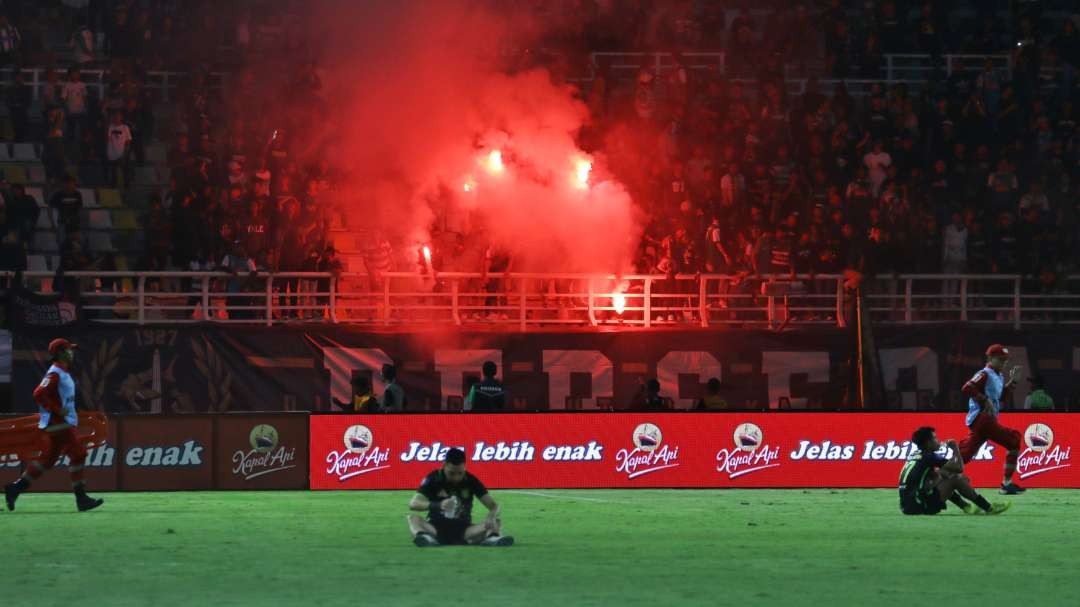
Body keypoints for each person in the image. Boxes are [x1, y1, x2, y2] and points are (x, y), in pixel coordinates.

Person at [4, 339, 104, 512]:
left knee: (48, 460)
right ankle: (81, 499)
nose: (72, 352)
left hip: (61, 422)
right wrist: (57, 410)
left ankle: (15, 488)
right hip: (58, 423)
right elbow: (38, 393)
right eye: (68, 350)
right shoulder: (55, 373)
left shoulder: (62, 372)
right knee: (79, 453)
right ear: (60, 353)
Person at [407, 447, 514, 547]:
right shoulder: (433, 478)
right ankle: (425, 538)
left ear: (464, 467)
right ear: (444, 465)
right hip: (435, 528)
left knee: (496, 521)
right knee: (413, 519)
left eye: (460, 473)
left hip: (465, 530)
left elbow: (494, 506)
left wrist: (491, 515)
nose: (456, 477)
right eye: (451, 473)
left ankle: (493, 538)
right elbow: (413, 504)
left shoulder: (471, 480)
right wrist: (438, 505)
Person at [959, 344, 1026, 495]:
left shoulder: (998, 376)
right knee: (1014, 439)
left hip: (986, 420)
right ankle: (1006, 484)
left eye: (1005, 360)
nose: (1004, 363)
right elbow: (967, 388)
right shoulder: (985, 373)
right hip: (983, 418)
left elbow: (1001, 397)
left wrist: (1013, 382)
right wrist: (983, 400)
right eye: (1000, 359)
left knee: (965, 454)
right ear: (990, 358)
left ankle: (936, 472)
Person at [899, 426, 1009, 516]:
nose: (938, 441)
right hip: (919, 507)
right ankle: (989, 508)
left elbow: (934, 477)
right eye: (935, 438)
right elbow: (959, 468)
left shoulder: (916, 455)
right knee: (955, 479)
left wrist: (943, 475)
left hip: (907, 506)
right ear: (928, 443)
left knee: (946, 475)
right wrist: (955, 448)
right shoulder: (930, 456)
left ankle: (966, 506)